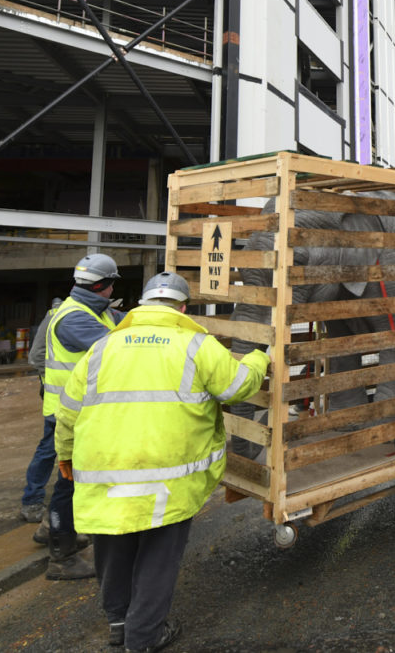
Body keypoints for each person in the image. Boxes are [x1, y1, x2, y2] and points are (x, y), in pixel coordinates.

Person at [57, 272, 269, 652]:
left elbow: (69, 410)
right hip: (166, 478)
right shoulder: (195, 345)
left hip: (104, 471)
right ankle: (144, 638)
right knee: (157, 560)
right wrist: (258, 358)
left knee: (114, 550)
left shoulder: (104, 346)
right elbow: (237, 388)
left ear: (142, 304)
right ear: (183, 307)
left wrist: (65, 454)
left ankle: (119, 625)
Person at [36, 254, 125, 580]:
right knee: (70, 482)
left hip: (80, 412)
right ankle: (61, 555)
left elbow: (122, 320)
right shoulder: (75, 319)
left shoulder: (95, 311)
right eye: (112, 283)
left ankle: (52, 526)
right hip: (70, 415)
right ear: (103, 285)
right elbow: (120, 351)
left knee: (70, 479)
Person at [19, 296, 65, 524]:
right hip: (58, 398)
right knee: (49, 448)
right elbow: (36, 357)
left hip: (72, 398)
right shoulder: (56, 317)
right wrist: (50, 381)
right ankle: (32, 500)